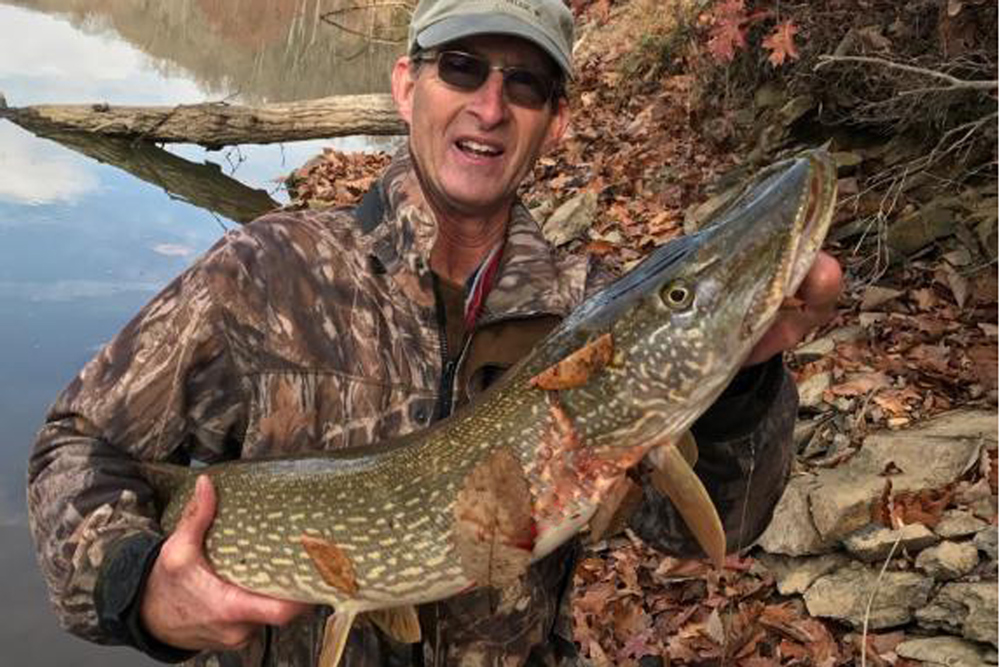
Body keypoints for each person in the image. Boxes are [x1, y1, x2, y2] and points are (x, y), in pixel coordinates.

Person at [27, 0, 843, 664]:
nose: (490, 106)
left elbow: (719, 528)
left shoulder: (582, 311)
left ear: (556, 121)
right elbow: (73, 445)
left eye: (524, 85)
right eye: (461, 67)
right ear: (406, 85)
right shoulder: (265, 272)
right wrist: (139, 591)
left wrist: (743, 374)